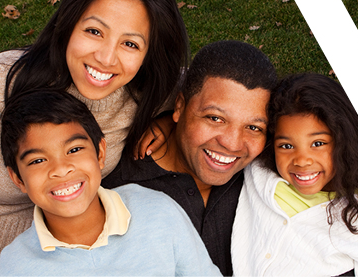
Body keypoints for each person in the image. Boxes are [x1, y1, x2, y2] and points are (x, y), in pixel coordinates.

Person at [0, 0, 189, 270]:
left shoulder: (147, 92)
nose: (106, 58)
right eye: (94, 31)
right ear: (67, 25)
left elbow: (219, 95)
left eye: (130, 43)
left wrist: (168, 119)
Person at [0, 90, 221, 276]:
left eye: (74, 149)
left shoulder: (158, 211)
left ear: (100, 153)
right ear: (17, 179)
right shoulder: (15, 267)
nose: (61, 169)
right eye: (38, 160)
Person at [102, 40, 278, 276]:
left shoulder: (265, 179)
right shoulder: (117, 192)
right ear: (179, 106)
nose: (232, 143)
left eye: (254, 128)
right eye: (215, 118)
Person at [231, 72, 358, 277]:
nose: (301, 160)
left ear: (343, 143)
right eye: (286, 145)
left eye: (318, 144)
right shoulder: (258, 174)